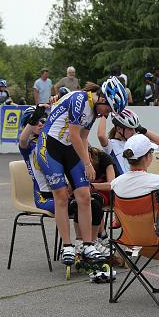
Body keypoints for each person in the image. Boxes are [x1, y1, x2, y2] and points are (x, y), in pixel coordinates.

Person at [35, 77, 127, 268]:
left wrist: (88, 164)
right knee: (61, 195)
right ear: (103, 98)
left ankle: (87, 244)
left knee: (84, 195)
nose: (107, 114)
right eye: (109, 109)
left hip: (69, 148)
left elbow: (84, 138)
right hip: (50, 147)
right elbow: (74, 134)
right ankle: (67, 246)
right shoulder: (80, 99)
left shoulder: (94, 110)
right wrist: (86, 163)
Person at [97, 108, 159, 176]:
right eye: (130, 129)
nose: (134, 132)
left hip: (138, 179)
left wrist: (141, 129)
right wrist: (104, 115)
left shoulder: (134, 142)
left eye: (135, 129)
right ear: (119, 129)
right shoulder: (111, 144)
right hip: (123, 181)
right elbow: (101, 135)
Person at [18, 105, 54, 213]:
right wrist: (35, 116)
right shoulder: (29, 145)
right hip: (43, 197)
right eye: (35, 122)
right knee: (67, 205)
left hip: (60, 190)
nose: (40, 124)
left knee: (90, 203)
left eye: (42, 120)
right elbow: (22, 139)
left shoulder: (52, 140)